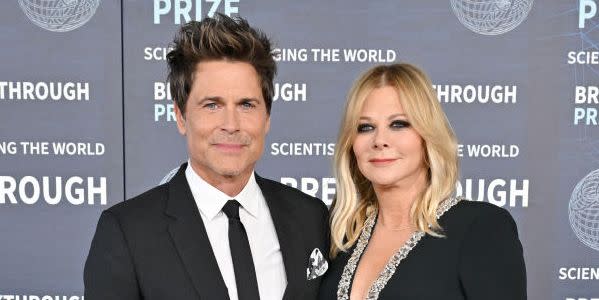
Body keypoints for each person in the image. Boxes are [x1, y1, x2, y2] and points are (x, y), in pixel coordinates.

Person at [84, 14, 329, 300]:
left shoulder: (310, 217)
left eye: (247, 105)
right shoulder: (127, 233)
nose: (231, 124)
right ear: (180, 116)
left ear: (267, 117)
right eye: (212, 105)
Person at [318, 64, 526, 300]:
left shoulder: (481, 228)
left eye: (399, 124)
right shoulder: (339, 233)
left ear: (427, 136)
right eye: (365, 127)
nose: (380, 140)